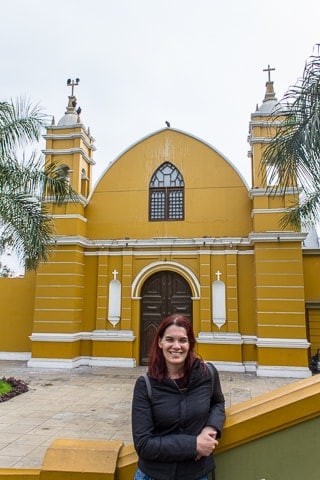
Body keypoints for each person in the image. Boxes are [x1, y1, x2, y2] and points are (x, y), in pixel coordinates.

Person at [132, 314, 225, 480]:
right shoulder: (145, 385)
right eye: (169, 339)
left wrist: (211, 428)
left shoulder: (207, 374)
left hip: (196, 474)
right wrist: (194, 445)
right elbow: (144, 444)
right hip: (154, 475)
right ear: (160, 342)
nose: (176, 346)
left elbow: (218, 403)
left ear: (190, 344)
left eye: (182, 340)